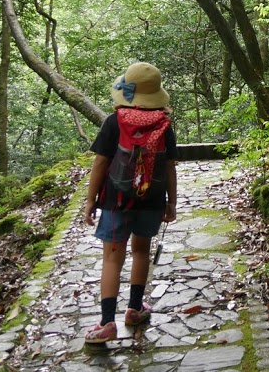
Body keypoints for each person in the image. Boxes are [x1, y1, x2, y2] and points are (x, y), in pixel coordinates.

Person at [81, 62, 179, 344]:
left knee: (112, 258)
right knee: (140, 252)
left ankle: (106, 322)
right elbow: (170, 167)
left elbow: (101, 162)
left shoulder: (115, 122)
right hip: (150, 200)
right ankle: (135, 309)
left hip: (116, 201)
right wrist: (171, 202)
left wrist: (90, 200)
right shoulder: (164, 125)